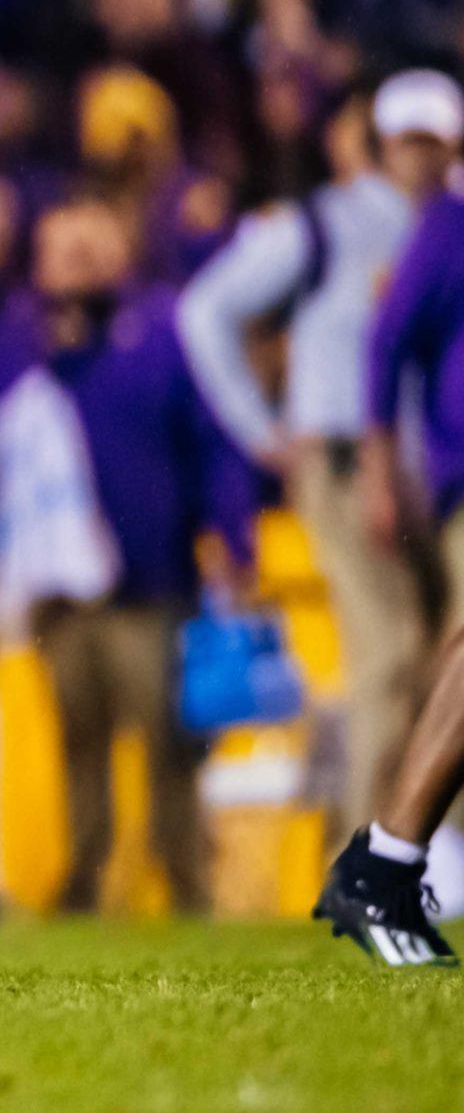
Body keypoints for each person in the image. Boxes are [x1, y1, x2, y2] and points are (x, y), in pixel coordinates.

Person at [0, 196, 257, 915]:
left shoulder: (159, 330)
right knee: (76, 736)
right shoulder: (16, 338)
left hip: (146, 579)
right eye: (66, 246)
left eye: (94, 243)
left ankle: (186, 882)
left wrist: (230, 531)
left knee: (167, 739)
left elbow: (214, 437)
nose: (80, 258)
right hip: (53, 582)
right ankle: (81, 877)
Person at [178, 72, 463, 832]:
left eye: (438, 141)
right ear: (378, 145)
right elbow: (206, 309)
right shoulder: (328, 221)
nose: (427, 157)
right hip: (345, 460)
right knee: (391, 651)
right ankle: (366, 854)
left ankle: (429, 854)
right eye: (412, 141)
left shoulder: (443, 223)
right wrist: (262, 426)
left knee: (444, 659)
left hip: (429, 471)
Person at [312, 93, 464, 966]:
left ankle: (387, 862)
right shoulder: (447, 220)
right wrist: (382, 464)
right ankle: (386, 861)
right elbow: (386, 342)